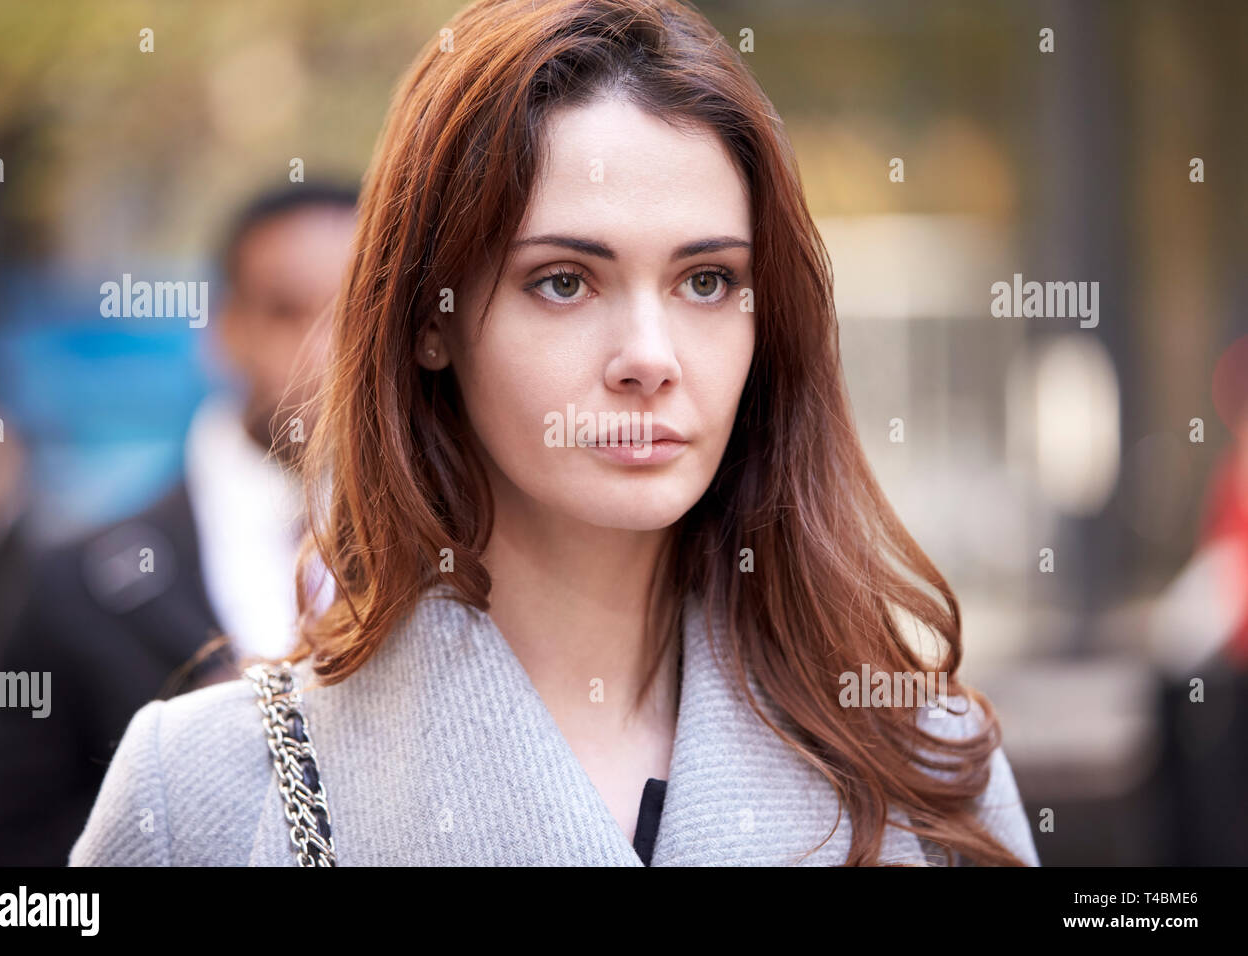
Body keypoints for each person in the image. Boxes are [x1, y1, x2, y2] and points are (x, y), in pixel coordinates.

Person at [71, 0, 1039, 867]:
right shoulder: (205, 788)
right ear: (430, 321)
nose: (649, 356)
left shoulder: (926, 768)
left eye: (706, 280)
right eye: (564, 280)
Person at [0, 184, 357, 866]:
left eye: (357, 315)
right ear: (227, 330)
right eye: (289, 312)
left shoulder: (455, 564)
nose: (325, 353)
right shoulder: (74, 585)